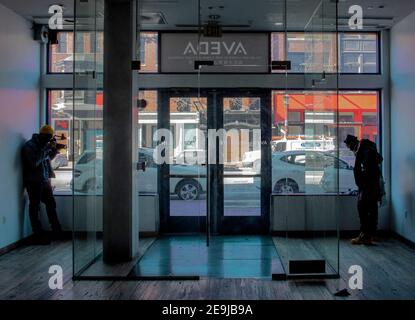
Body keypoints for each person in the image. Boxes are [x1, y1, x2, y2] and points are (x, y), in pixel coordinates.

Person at [21, 125, 63, 245]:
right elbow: (34, 162)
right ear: (42, 135)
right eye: (49, 137)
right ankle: (38, 234)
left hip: (44, 181)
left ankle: (56, 231)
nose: (49, 140)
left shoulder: (42, 145)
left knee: (51, 204)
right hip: (33, 181)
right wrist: (46, 149)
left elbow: (46, 159)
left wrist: (54, 150)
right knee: (35, 207)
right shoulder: (29, 146)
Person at [344, 134, 383, 245]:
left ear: (352, 143)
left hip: (367, 186)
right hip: (372, 185)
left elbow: (365, 166)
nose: (348, 147)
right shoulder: (366, 147)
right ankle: (371, 234)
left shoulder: (363, 149)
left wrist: (362, 180)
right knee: (372, 209)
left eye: (348, 145)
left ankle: (365, 236)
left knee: (362, 208)